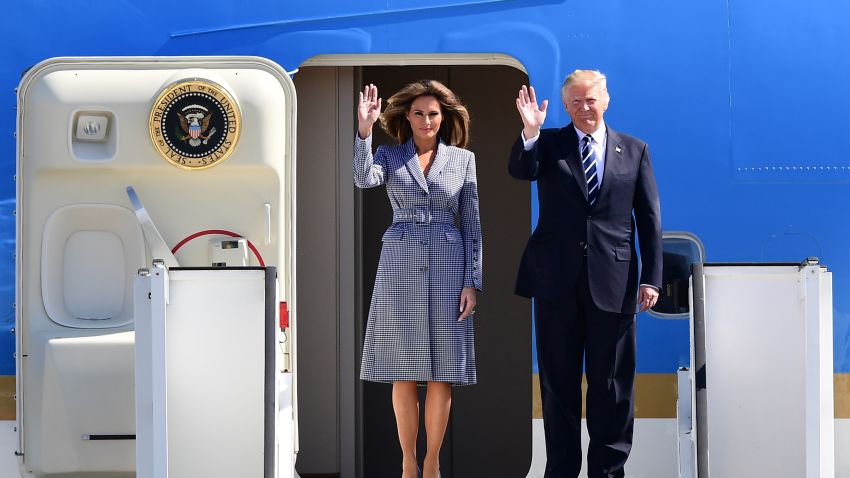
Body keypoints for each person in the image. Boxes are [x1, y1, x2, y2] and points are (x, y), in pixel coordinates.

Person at [508, 70, 662, 478]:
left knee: (611, 388)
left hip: (614, 284)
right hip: (556, 284)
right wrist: (529, 132)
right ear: (564, 105)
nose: (583, 107)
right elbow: (520, 170)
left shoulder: (634, 150)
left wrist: (652, 278)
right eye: (574, 101)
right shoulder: (549, 143)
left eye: (590, 99)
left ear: (606, 100)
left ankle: (608, 472)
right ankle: (560, 471)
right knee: (558, 389)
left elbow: (648, 219)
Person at [354, 80, 482, 478]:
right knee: (403, 368)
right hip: (400, 266)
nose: (427, 120)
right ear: (406, 118)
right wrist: (364, 130)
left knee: (442, 371)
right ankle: (408, 462)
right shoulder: (390, 155)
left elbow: (473, 226)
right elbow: (363, 178)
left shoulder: (464, 160)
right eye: (419, 113)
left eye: (434, 114)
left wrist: (472, 281)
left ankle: (432, 462)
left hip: (448, 264)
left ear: (444, 118)